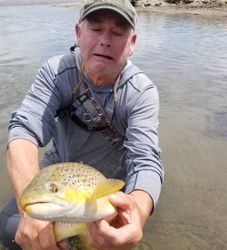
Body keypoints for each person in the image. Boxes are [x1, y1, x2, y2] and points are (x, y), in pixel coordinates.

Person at [0, 0, 164, 249]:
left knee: (101, 241)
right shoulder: (55, 72)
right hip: (57, 174)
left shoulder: (142, 93)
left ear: (132, 44)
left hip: (107, 186)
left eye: (118, 32)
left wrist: (137, 214)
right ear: (78, 33)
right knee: (10, 231)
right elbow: (23, 130)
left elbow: (146, 161)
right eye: (96, 29)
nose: (105, 40)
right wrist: (27, 212)